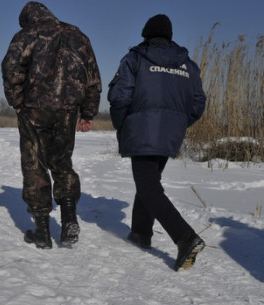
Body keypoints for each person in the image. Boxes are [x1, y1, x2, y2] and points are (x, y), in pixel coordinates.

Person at [108, 14, 207, 271]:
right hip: (170, 134)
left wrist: (121, 124)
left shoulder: (135, 59)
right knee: (150, 182)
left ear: (146, 34)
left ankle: (185, 237)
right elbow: (198, 104)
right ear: (169, 35)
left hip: (141, 130)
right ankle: (141, 233)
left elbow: (120, 97)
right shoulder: (188, 65)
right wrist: (177, 124)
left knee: (148, 186)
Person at [1, 1, 102, 249]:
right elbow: (93, 78)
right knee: (61, 162)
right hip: (68, 110)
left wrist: (17, 102)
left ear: (28, 19)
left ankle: (42, 232)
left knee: (34, 164)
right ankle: (68, 221)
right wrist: (87, 113)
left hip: (34, 108)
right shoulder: (78, 36)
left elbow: (11, 68)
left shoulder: (27, 35)